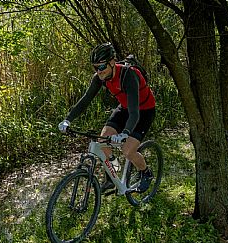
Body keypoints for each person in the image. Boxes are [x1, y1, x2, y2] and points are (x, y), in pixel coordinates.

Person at [58, 42, 156, 193]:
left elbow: (135, 113)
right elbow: (85, 100)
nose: (99, 71)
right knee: (103, 140)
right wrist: (67, 119)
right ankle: (112, 175)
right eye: (95, 67)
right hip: (124, 108)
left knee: (127, 151)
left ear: (112, 62)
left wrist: (125, 133)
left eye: (102, 67)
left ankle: (146, 172)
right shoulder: (99, 78)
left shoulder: (129, 75)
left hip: (143, 111)